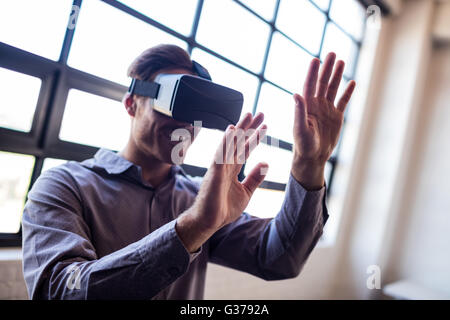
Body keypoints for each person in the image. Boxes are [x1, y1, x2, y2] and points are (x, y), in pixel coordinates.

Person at [21, 44, 356, 299]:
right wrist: (192, 228)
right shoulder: (64, 186)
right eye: (175, 101)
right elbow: (60, 290)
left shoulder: (201, 197)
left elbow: (280, 260)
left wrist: (309, 165)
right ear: (131, 103)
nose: (185, 123)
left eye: (197, 111)